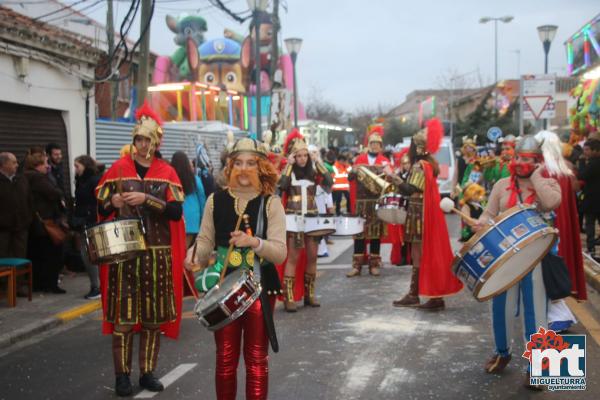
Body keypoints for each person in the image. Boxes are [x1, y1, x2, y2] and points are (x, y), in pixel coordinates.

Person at [95, 102, 186, 397]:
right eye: (138, 139)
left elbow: (174, 212)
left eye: (147, 140)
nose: (142, 144)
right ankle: (122, 376)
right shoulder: (119, 168)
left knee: (152, 319)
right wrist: (113, 204)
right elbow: (100, 205)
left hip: (157, 254)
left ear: (156, 141)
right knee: (122, 319)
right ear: (133, 141)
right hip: (125, 252)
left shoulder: (167, 171)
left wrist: (146, 198)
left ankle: (147, 372)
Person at [185, 137, 286, 400]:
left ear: (261, 167)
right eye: (238, 163)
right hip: (224, 286)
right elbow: (205, 241)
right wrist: (193, 255)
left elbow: (280, 252)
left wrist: (254, 242)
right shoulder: (214, 200)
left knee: (256, 359)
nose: (243, 169)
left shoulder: (271, 203)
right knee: (225, 358)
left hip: (261, 285)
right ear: (229, 167)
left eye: (251, 163)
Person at [472, 134, 561, 390]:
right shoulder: (501, 185)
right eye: (520, 157)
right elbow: (490, 212)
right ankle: (502, 352)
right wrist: (482, 221)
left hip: (536, 258)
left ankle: (538, 366)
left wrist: (536, 177)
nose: (522, 162)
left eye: (529, 159)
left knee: (536, 313)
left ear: (538, 162)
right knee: (501, 308)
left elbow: (553, 203)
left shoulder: (548, 184)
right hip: (505, 259)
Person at [392, 119, 463, 310]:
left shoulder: (418, 166)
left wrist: (395, 179)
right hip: (423, 212)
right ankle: (423, 294)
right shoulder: (430, 164)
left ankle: (417, 294)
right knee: (422, 253)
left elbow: (411, 189)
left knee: (419, 254)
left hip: (418, 214)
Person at [278, 131, 333, 311]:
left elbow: (329, 180)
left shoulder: (313, 171)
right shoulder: (288, 171)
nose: (302, 159)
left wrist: (318, 161)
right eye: (298, 156)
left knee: (312, 256)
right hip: (293, 219)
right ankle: (289, 297)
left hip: (311, 218)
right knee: (293, 257)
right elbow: (283, 186)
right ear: (293, 156)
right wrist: (288, 164)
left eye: (304, 155)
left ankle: (310, 295)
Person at [346, 125, 390, 277]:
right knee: (359, 234)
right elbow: (350, 178)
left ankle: (374, 264)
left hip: (377, 202)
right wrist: (353, 169)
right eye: (372, 143)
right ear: (368, 145)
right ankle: (357, 266)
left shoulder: (384, 161)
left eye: (377, 144)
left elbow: (390, 181)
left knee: (375, 234)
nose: (375, 146)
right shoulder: (359, 159)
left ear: (381, 146)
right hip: (361, 202)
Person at [24, 151, 66, 293]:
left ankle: (38, 283)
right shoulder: (37, 177)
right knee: (51, 254)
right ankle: (50, 284)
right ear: (38, 165)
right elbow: (54, 193)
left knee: (38, 255)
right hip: (45, 221)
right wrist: (59, 192)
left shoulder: (26, 176)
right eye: (45, 163)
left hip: (36, 221)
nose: (48, 166)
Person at [72, 155, 102, 299]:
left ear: (85, 165)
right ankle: (95, 285)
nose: (75, 169)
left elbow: (96, 202)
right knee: (87, 255)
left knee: (91, 255)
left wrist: (88, 216)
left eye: (77, 166)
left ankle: (97, 287)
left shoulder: (94, 180)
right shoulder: (82, 180)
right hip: (83, 221)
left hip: (90, 221)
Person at [171, 151, 206, 249]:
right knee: (186, 247)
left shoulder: (171, 179)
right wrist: (203, 215)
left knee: (177, 247)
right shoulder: (195, 179)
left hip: (177, 215)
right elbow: (202, 198)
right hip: (193, 216)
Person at [0, 152, 32, 259]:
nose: (17, 165)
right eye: (13, 162)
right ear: (3, 164)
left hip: (21, 227)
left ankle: (19, 276)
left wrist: (28, 219)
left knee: (20, 258)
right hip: (3, 229)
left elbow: (29, 200)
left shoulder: (21, 179)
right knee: (3, 259)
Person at [579, 139, 600, 260]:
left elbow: (582, 175)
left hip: (592, 200)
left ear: (595, 150)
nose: (585, 152)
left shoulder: (593, 164)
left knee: (590, 224)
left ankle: (591, 249)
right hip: (595, 200)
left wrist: (581, 162)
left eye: (587, 150)